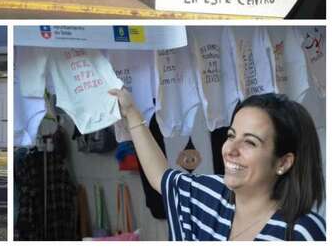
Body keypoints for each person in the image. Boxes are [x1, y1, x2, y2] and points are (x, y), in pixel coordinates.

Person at [111, 89, 325, 241]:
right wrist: (131, 112)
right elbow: (160, 177)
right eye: (231, 136)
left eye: (250, 142)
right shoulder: (209, 195)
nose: (230, 150)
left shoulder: (302, 233)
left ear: (283, 162)